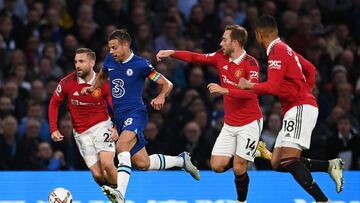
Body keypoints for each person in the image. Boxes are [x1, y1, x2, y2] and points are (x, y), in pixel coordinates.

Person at [81, 29, 200, 203]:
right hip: (120, 118)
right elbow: (102, 75)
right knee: (143, 163)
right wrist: (92, 88)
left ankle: (120, 194)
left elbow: (167, 84)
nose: (111, 52)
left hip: (136, 113)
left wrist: (160, 96)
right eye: (110, 48)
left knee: (122, 147)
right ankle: (180, 161)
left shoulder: (140, 65)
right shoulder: (109, 60)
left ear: (126, 45)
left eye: (114, 48)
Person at [237, 15, 344, 202]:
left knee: (289, 160)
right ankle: (329, 166)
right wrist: (305, 90)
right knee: (277, 162)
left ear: (259, 35)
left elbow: (272, 87)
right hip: (298, 106)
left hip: (299, 107)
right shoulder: (286, 49)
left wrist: (249, 85)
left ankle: (323, 200)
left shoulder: (276, 51)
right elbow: (310, 68)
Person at [157, 25, 263, 203]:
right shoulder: (220, 56)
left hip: (249, 122)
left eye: (224, 39)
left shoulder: (250, 63)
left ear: (235, 43)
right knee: (217, 166)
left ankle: (241, 201)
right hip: (230, 123)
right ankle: (252, 152)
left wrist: (225, 90)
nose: (221, 43)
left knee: (238, 168)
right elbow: (196, 57)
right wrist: (172, 52)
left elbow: (252, 92)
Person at [48, 48, 118, 201]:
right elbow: (54, 103)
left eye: (81, 61)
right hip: (81, 133)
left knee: (107, 164)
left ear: (92, 63)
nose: (77, 65)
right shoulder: (66, 83)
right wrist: (53, 128)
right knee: (98, 175)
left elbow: (115, 106)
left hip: (102, 125)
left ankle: (120, 195)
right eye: (75, 62)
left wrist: (116, 127)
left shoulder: (104, 81)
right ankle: (113, 193)